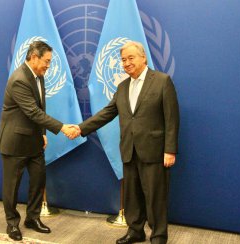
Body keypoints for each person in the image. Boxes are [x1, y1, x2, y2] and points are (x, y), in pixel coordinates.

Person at [72, 41, 179, 244]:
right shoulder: (122, 87)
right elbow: (106, 113)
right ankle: (135, 231)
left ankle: (158, 236)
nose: (126, 63)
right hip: (129, 150)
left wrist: (170, 149)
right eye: (123, 60)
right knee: (132, 195)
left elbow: (172, 118)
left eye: (131, 58)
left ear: (143, 58)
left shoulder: (162, 81)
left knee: (155, 197)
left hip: (154, 152)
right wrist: (81, 128)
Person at [0, 41, 78, 241]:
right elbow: (32, 112)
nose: (48, 66)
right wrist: (61, 127)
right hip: (14, 142)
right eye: (46, 61)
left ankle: (32, 218)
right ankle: (12, 224)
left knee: (38, 181)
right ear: (34, 57)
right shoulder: (19, 79)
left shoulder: (38, 76)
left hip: (34, 142)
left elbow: (40, 108)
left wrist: (42, 132)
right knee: (12, 187)